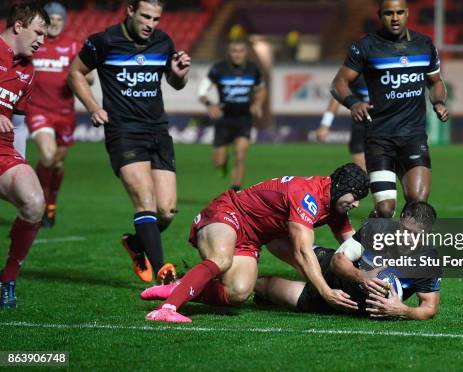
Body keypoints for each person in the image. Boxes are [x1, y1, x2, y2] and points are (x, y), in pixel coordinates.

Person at [142, 163, 370, 323]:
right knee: (221, 260)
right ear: (340, 188)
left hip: (253, 239)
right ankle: (167, 308)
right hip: (229, 212)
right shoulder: (307, 196)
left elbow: (350, 243)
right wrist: (326, 292)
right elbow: (302, 251)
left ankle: (181, 286)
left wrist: (376, 268)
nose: (357, 204)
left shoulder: (334, 204)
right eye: (355, 197)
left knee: (238, 293)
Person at [68, 0, 191, 283]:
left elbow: (174, 82)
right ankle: (165, 275)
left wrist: (180, 75)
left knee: (167, 211)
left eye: (156, 19)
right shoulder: (104, 41)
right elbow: (75, 73)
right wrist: (92, 106)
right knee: (144, 201)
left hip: (158, 131)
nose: (151, 24)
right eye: (146, 16)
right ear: (130, 11)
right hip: (123, 131)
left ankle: (137, 243)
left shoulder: (163, 42)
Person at [331, 0, 449, 218]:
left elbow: (435, 82)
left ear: (407, 13)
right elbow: (338, 83)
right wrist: (353, 103)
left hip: (413, 136)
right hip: (380, 138)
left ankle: (403, 250)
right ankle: (366, 238)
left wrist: (439, 102)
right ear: (380, 15)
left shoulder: (424, 45)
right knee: (386, 210)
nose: (395, 18)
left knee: (418, 201)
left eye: (399, 12)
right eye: (389, 13)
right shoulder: (365, 47)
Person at [255, 201, 441, 320]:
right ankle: (253, 235)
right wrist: (361, 277)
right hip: (334, 272)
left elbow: (429, 307)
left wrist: (402, 310)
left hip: (346, 304)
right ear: (401, 220)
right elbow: (338, 261)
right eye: (406, 230)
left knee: (266, 288)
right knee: (285, 245)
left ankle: (252, 286)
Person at [0, 3, 49, 308]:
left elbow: (18, 124)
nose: (42, 40)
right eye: (39, 32)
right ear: (19, 26)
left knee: (34, 202)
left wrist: (21, 163)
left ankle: (7, 279)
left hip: (3, 151)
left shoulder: (28, 72)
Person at [26, 2, 89, 228]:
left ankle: (51, 202)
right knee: (49, 154)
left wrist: (85, 76)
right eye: (50, 18)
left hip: (64, 113)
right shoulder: (34, 43)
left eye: (59, 19)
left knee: (58, 163)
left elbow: (88, 76)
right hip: (37, 110)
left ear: (64, 21)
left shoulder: (73, 47)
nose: (54, 22)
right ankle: (37, 201)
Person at [198, 40, 266, 191]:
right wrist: (210, 104)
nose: (237, 54)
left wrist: (257, 104)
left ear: (245, 52)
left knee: (240, 154)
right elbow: (202, 91)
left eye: (240, 51)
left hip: (244, 118)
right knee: (219, 161)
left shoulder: (253, 69)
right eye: (234, 51)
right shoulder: (218, 69)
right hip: (224, 119)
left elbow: (261, 90)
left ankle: (235, 190)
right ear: (229, 53)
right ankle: (222, 164)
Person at [316, 74, 369, 170]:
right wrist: (325, 125)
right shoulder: (355, 74)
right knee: (362, 170)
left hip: (385, 124)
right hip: (361, 126)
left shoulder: (387, 69)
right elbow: (337, 98)